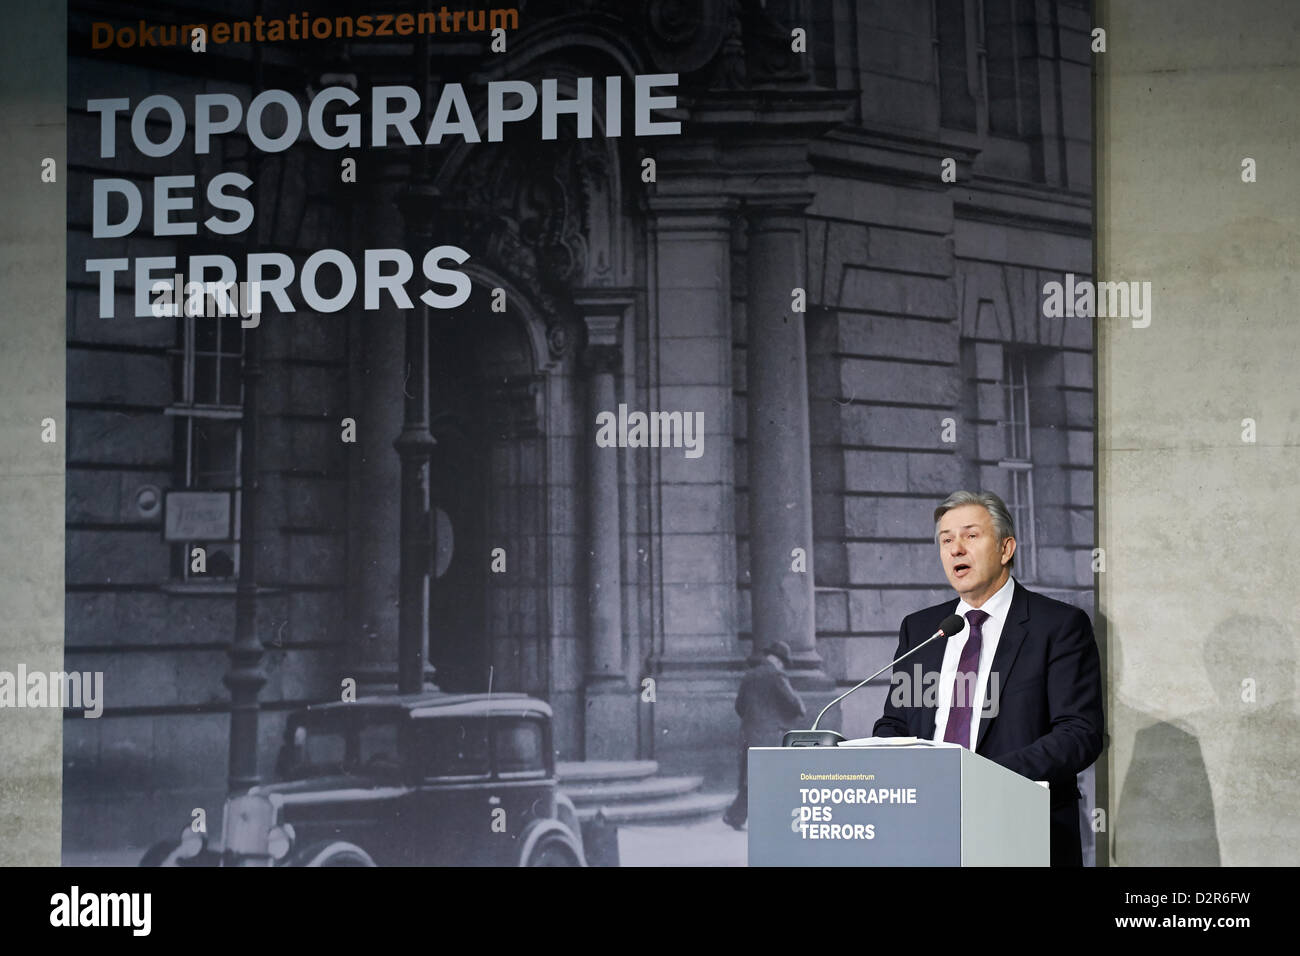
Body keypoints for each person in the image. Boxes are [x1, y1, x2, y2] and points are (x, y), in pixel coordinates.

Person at [872, 490, 1103, 866]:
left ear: (1006, 548)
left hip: (1020, 825)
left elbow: (1079, 733)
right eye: (946, 540)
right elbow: (895, 721)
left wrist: (983, 778)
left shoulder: (1057, 626)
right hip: (927, 826)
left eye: (970, 536)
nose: (956, 549)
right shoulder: (922, 629)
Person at [723, 640, 806, 830]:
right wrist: (798, 708)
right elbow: (793, 702)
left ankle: (735, 815)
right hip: (770, 734)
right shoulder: (777, 675)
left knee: (752, 777)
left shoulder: (749, 676)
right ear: (778, 660)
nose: (783, 666)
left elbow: (739, 706)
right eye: (783, 662)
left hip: (749, 733)